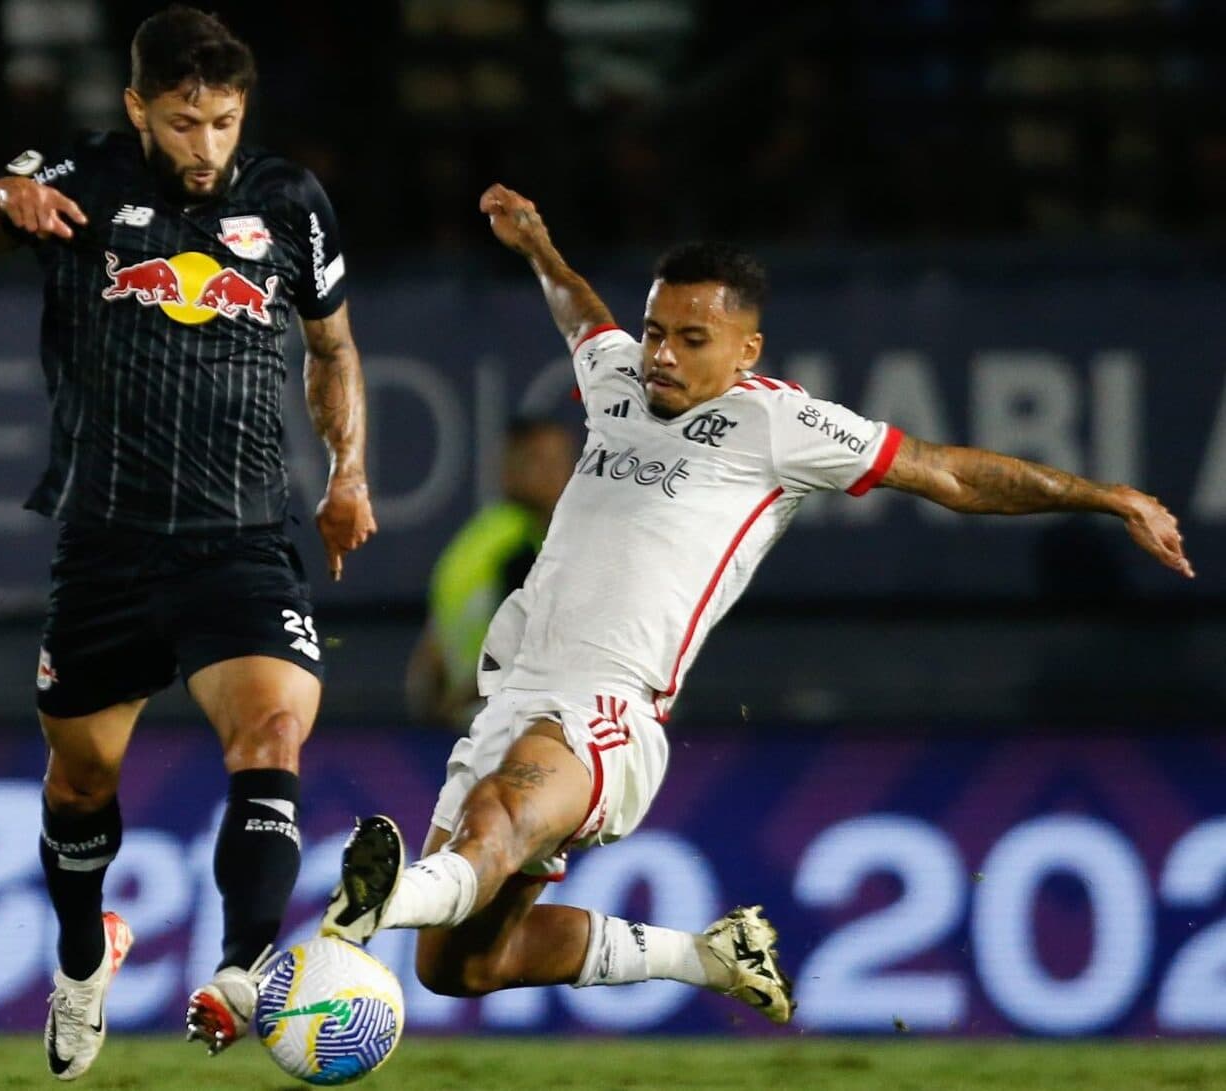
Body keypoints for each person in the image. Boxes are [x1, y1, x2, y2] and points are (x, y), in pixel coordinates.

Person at [319, 182, 1194, 1022]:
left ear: (747, 350)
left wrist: (1107, 496)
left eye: (692, 338)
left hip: (607, 704)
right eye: (657, 329)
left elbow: (949, 473)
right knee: (458, 966)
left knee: (498, 818)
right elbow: (581, 313)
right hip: (513, 692)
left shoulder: (780, 424)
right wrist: (540, 247)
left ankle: (374, 904)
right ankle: (708, 956)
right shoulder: (621, 375)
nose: (662, 352)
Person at [0, 5, 376, 1079]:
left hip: (240, 538)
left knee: (271, 734)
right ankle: (81, 956)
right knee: (79, 784)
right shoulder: (78, 180)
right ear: (136, 109)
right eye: (183, 121)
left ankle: (245, 969)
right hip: (106, 542)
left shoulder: (289, 201)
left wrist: (347, 471)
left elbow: (332, 348)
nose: (205, 147)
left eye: (222, 121)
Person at [405, 416, 575, 729]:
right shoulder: (520, 550)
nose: (559, 474)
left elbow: (431, 653)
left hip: (471, 722)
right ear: (510, 469)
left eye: (563, 461)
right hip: (506, 722)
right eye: (542, 462)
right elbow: (515, 647)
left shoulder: (474, 539)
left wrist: (437, 714)